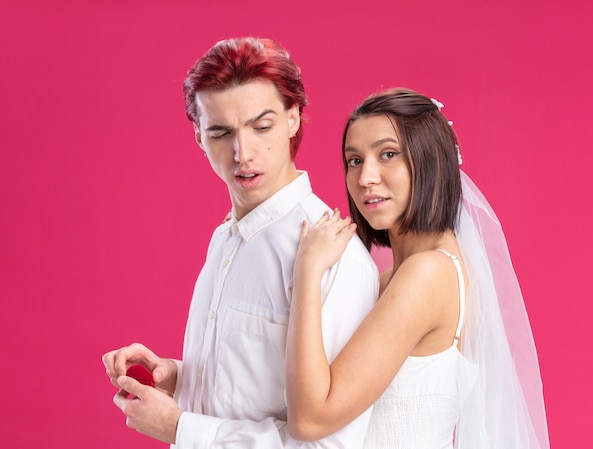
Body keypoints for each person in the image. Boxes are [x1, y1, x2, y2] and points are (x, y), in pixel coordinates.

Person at [102, 37, 379, 448]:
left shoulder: (337, 260)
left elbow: (329, 442)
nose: (242, 152)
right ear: (199, 137)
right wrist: (179, 377)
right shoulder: (226, 238)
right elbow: (248, 388)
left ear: (293, 119)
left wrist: (180, 428)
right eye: (220, 132)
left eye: (261, 126)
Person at [285, 88, 550, 448]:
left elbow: (311, 419)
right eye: (354, 160)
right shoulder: (396, 276)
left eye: (388, 154)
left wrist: (307, 271)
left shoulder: (427, 274)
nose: (365, 178)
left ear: (430, 161)